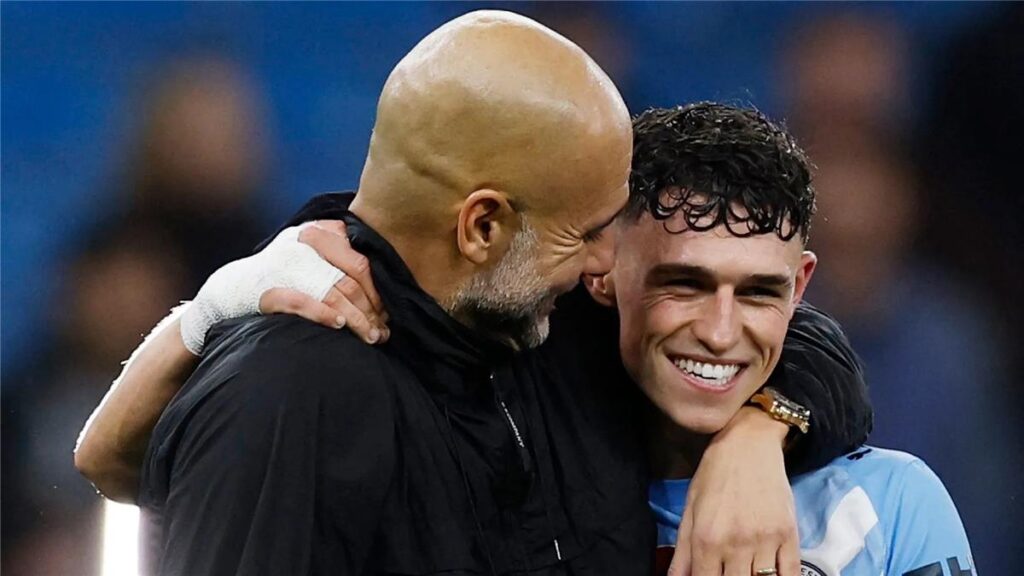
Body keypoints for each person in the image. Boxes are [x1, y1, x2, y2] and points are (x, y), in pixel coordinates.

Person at [76, 12, 872, 576]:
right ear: (483, 226)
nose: (608, 264)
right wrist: (206, 320)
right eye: (586, 231)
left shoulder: (547, 316)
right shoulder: (299, 382)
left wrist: (757, 437)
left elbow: (802, 343)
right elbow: (118, 468)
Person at [614, 105, 972, 575]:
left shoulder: (890, 503)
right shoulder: (537, 482)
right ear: (605, 268)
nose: (720, 333)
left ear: (798, 287)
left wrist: (760, 431)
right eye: (685, 284)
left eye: (758, 292)